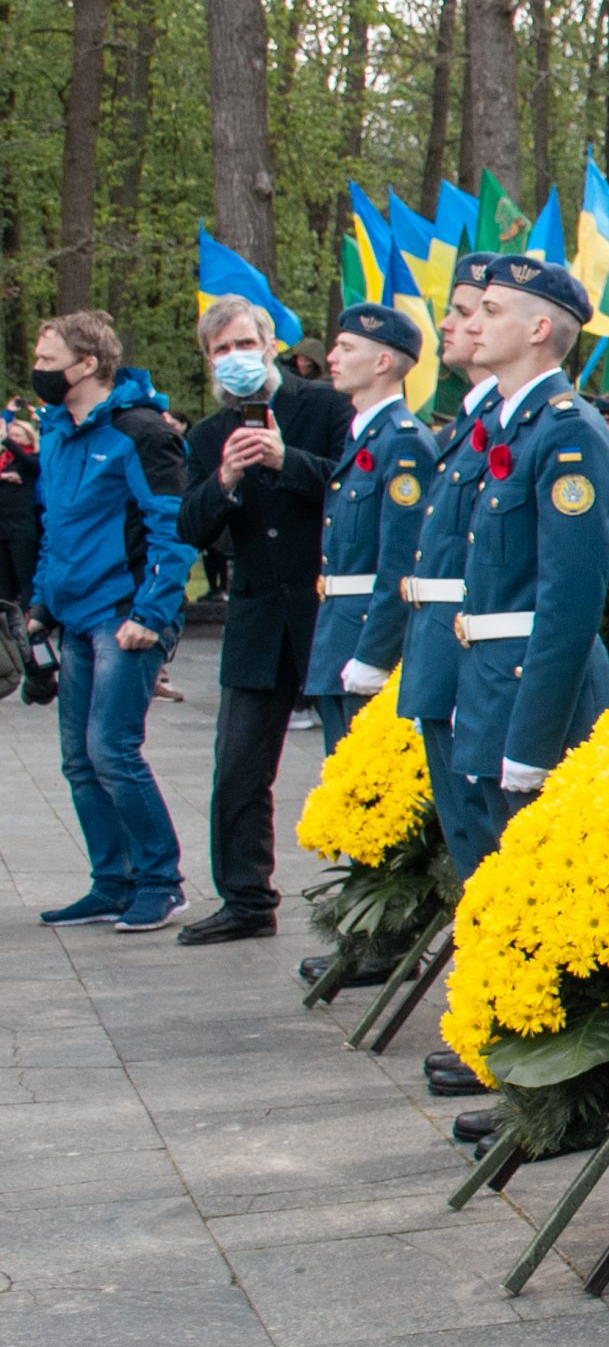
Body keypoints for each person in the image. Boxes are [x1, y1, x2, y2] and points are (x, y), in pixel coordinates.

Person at [175, 297, 354, 945]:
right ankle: (246, 897)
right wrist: (223, 477)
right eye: (220, 351)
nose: (234, 359)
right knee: (239, 766)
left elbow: (357, 489)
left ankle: (370, 914)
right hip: (255, 616)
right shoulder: (205, 434)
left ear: (270, 342)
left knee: (354, 767)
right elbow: (191, 525)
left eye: (243, 344)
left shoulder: (328, 408)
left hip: (330, 611)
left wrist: (287, 461)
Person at [27, 311, 195, 933]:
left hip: (124, 615)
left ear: (88, 363)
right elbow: (56, 527)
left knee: (111, 750)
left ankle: (160, 881)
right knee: (79, 758)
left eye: (48, 361)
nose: (38, 372)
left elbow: (172, 529)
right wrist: (43, 603)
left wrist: (152, 613)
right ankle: (112, 881)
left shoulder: (140, 431)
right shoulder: (57, 431)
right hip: (74, 617)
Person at [450, 258, 609, 834]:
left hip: (536, 697)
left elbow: (569, 600)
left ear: (538, 330)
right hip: (496, 687)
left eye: (491, 312)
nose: (473, 325)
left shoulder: (566, 430)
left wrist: (533, 738)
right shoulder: (515, 424)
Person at [402, 258, 508, 1087]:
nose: (459, 326)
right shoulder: (471, 427)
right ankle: (487, 1020)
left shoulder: (548, 428)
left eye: (480, 311)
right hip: (455, 652)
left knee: (496, 854)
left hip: (498, 667)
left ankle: (502, 1027)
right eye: (461, 311)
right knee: (474, 850)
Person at [304, 304, 429, 752]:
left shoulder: (404, 442)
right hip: (339, 631)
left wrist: (375, 653)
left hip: (363, 636)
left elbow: (400, 559)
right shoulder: (366, 437)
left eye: (346, 347)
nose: (332, 357)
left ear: (382, 363)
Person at [1, 395, 39, 606]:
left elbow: (26, 460)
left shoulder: (31, 461)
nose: (13, 439)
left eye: (18, 436)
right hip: (3, 525)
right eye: (11, 435)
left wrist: (6, 439)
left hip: (21, 526)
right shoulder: (4, 462)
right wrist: (8, 413)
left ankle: (29, 623)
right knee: (4, 582)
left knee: (25, 576)